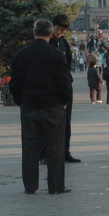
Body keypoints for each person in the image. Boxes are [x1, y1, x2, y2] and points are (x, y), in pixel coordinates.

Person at [10, 19, 72, 195]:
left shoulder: (21, 55)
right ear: (51, 34)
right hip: (53, 106)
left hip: (29, 106)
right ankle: (56, 186)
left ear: (34, 32)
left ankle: (30, 186)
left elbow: (14, 84)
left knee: (30, 147)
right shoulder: (57, 54)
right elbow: (64, 82)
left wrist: (21, 101)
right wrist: (64, 101)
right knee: (55, 148)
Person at [45, 14, 79, 163]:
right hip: (50, 89)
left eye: (63, 30)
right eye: (58, 28)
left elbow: (68, 65)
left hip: (64, 88)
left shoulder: (64, 43)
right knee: (48, 122)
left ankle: (65, 152)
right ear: (53, 26)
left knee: (66, 121)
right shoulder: (47, 43)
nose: (60, 32)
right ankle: (45, 154)